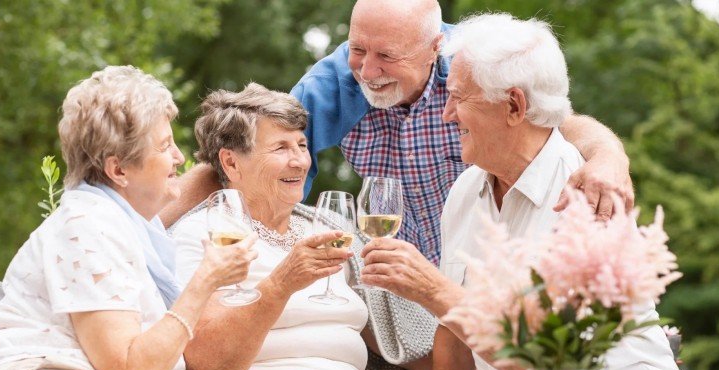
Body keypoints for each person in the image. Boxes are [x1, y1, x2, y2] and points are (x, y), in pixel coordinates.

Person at [359, 14, 701, 370]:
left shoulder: (584, 194)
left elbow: (555, 366)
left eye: (458, 98)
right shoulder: (465, 192)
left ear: (514, 106)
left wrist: (435, 291)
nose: (446, 113)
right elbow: (455, 338)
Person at [0, 66, 303, 370]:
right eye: (165, 146)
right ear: (119, 170)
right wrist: (205, 282)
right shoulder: (86, 224)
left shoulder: (139, 231)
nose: (180, 158)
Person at [163, 0, 634, 267]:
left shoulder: (471, 69)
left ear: (435, 47)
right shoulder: (338, 82)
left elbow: (558, 123)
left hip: (486, 267)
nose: (368, 71)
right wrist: (146, 226)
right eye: (357, 49)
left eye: (386, 56)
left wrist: (609, 160)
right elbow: (250, 152)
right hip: (401, 283)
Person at [170, 83, 428, 370]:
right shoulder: (203, 233)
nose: (300, 162)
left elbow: (402, 334)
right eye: (280, 149)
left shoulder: (326, 228)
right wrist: (281, 284)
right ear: (232, 163)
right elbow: (206, 366)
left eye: (302, 145)